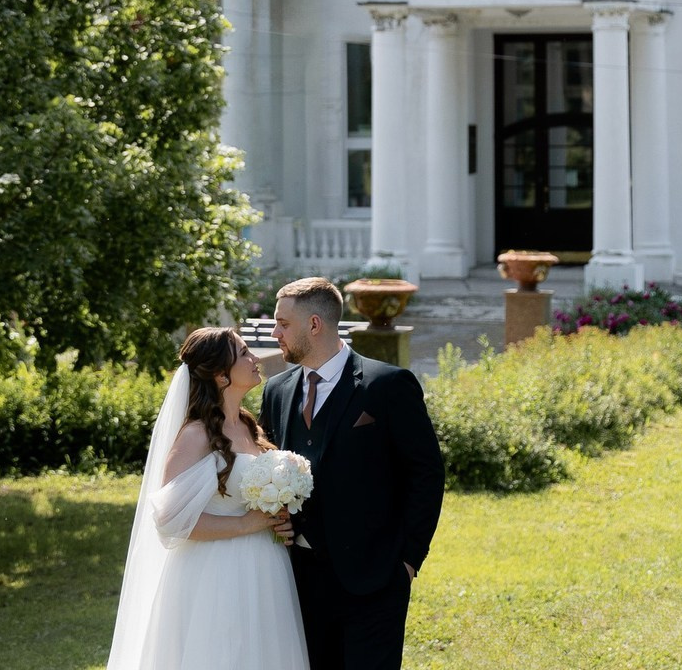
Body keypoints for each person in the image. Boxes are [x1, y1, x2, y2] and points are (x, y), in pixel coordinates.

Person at [258, 276, 445, 670]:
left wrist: (409, 559)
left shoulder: (388, 385)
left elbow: (426, 474)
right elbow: (267, 465)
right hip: (297, 579)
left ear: (315, 325)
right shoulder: (275, 390)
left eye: (283, 324)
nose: (275, 332)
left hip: (374, 580)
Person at [107, 326, 312, 670]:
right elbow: (170, 520)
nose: (255, 359)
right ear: (220, 375)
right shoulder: (196, 434)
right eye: (244, 353)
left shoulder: (248, 426)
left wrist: (278, 517)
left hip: (265, 566)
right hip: (217, 574)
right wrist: (247, 523)